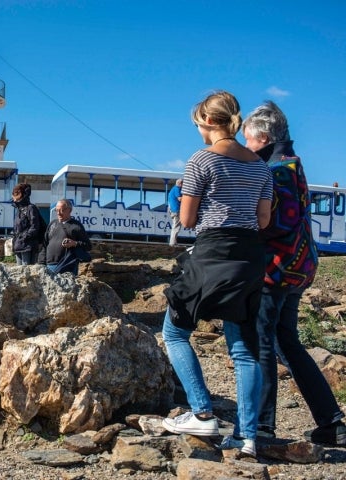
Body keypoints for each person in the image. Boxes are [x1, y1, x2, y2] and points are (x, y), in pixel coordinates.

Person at [160, 91, 273, 459]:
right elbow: (263, 220)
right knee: (243, 350)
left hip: (212, 254)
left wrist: (176, 202)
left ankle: (202, 411)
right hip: (249, 258)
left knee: (174, 332)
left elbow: (190, 220)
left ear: (208, 121)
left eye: (197, 123)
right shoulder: (260, 167)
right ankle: (247, 436)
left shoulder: (201, 160)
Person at [243, 101, 346, 445]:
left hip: (277, 270)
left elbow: (276, 222)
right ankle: (331, 421)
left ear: (263, 136)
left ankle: (262, 427)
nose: (246, 146)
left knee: (262, 343)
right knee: (287, 341)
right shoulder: (292, 164)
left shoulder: (275, 170)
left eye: (248, 139)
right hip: (299, 267)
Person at [38, 199, 91, 275]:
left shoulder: (76, 226)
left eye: (62, 210)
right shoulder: (52, 223)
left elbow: (88, 246)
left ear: (69, 210)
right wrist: (41, 263)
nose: (58, 213)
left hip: (67, 265)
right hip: (48, 265)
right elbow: (44, 244)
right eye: (57, 210)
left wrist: (74, 243)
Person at [11, 183, 41, 265]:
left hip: (27, 245)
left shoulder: (30, 208)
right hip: (19, 244)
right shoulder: (19, 209)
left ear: (21, 194)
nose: (13, 196)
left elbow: (34, 227)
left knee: (27, 271)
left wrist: (24, 237)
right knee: (19, 272)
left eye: (15, 193)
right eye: (13, 193)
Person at [168, 178, 183, 246]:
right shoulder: (177, 189)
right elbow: (179, 198)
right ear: (180, 184)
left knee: (175, 226)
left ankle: (173, 242)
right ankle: (173, 243)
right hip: (176, 209)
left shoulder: (172, 189)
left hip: (172, 210)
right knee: (176, 226)